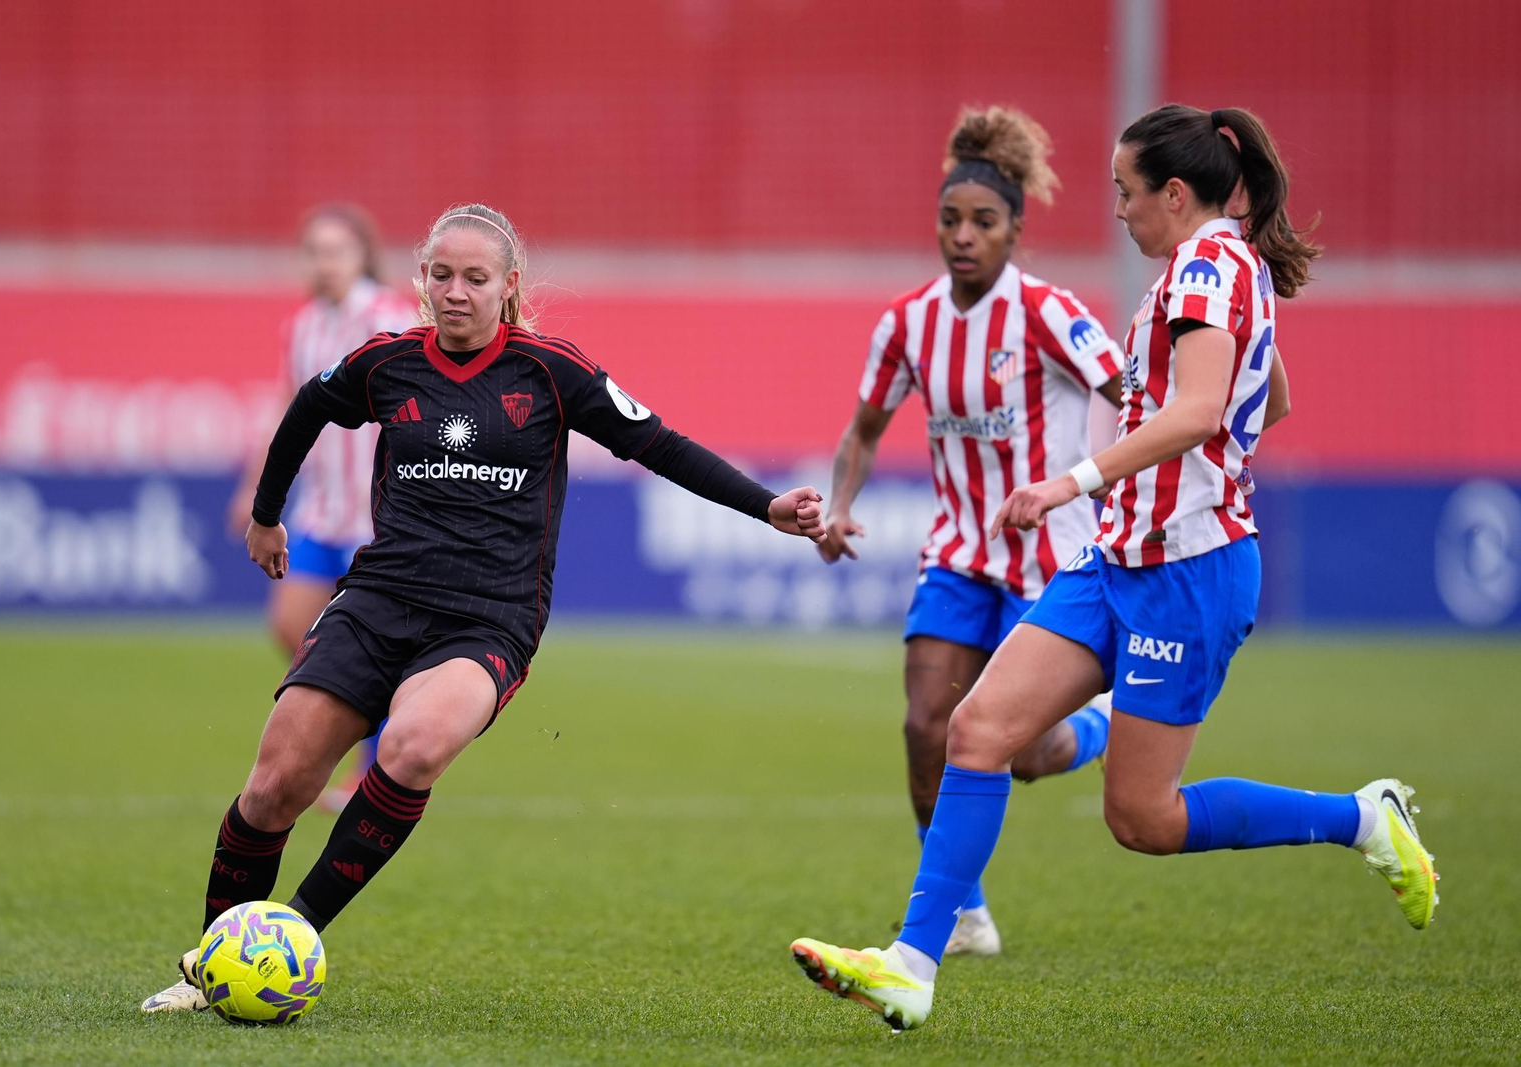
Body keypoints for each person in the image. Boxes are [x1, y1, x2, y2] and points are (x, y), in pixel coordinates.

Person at [789, 104, 1437, 1032]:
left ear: (1175, 193)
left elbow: (1203, 407)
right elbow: (1270, 396)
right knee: (975, 731)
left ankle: (1363, 819)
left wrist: (1071, 481)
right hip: (1118, 556)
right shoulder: (1199, 270)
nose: (1118, 212)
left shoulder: (1212, 266)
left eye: (1125, 194)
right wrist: (1185, 462)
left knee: (1143, 819)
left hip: (1190, 570)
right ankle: (912, 964)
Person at [143, 202, 828, 1012]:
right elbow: (308, 408)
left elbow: (661, 445)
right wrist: (265, 513)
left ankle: (289, 935)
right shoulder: (386, 362)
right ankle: (211, 964)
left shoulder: (550, 371)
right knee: (274, 785)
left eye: (475, 277)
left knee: (415, 745)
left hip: (489, 618)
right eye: (441, 274)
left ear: (509, 286)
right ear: (420, 281)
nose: (456, 291)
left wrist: (768, 507)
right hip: (376, 599)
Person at [819, 107, 1124, 958]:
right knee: (926, 724)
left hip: (1049, 558)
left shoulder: (1048, 312)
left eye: (983, 222)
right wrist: (841, 504)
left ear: (1016, 230)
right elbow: (865, 430)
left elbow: (1129, 392)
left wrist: (1097, 474)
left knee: (1025, 754)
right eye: (950, 220)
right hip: (959, 551)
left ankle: (1100, 725)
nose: (963, 236)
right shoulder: (907, 323)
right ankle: (962, 911)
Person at [227, 204, 416, 809]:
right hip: (319, 511)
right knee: (290, 627)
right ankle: (372, 719)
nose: (325, 262)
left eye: (338, 250)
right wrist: (255, 493)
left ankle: (373, 767)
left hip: (376, 515)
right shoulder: (304, 325)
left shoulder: (392, 318)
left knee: (362, 639)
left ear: (364, 255)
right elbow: (286, 414)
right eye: (315, 251)